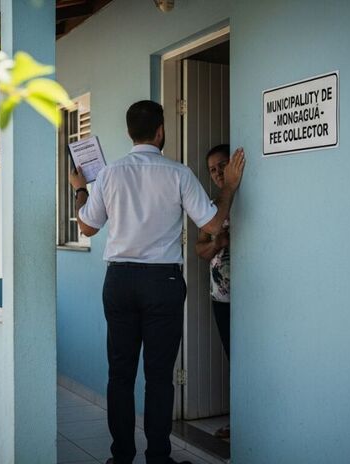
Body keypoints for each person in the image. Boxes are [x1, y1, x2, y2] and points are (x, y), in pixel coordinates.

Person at [69, 100, 245, 464]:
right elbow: (212, 226)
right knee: (159, 376)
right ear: (161, 131)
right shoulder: (178, 173)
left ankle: (121, 458)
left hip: (119, 280)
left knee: (120, 375)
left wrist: (79, 189)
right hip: (162, 281)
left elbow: (86, 226)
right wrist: (227, 188)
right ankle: (159, 458)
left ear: (130, 133)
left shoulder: (110, 174)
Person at [194, 144, 232, 439]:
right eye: (212, 169)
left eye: (222, 165)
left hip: (256, 300)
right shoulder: (210, 206)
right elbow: (200, 248)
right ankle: (238, 420)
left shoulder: (249, 198)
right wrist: (217, 244)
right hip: (222, 297)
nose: (218, 173)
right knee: (234, 358)